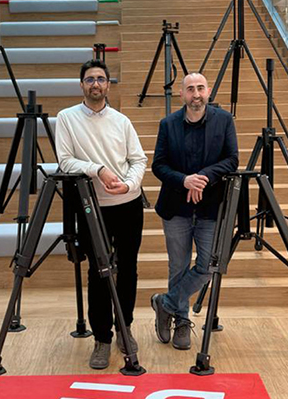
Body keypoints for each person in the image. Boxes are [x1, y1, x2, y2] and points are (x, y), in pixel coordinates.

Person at [55, 59, 148, 369]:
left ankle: (124, 328)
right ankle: (102, 338)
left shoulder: (121, 121)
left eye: (100, 79)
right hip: (92, 207)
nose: (95, 84)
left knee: (129, 269)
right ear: (82, 85)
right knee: (98, 272)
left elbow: (138, 159)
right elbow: (65, 161)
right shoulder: (67, 118)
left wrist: (130, 183)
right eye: (90, 79)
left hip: (129, 203)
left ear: (108, 85)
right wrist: (98, 169)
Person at [150, 73, 239, 350]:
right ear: (182, 94)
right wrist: (184, 180)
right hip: (176, 207)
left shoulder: (224, 120)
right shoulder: (168, 124)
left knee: (208, 265)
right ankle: (181, 321)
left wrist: (203, 177)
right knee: (178, 266)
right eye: (190, 89)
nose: (196, 94)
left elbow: (232, 159)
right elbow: (158, 165)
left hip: (211, 208)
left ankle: (165, 303)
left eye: (200, 88)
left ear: (208, 91)